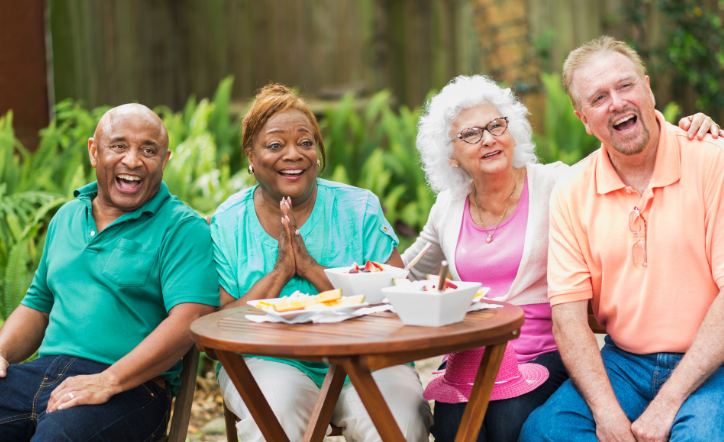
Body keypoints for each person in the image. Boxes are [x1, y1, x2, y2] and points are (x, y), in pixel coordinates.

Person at [402, 74, 724, 442]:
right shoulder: (447, 208)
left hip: (538, 353)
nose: (489, 139)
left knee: (511, 421)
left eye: (495, 126)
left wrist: (686, 138)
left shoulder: (556, 183)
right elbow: (405, 273)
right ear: (450, 155)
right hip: (470, 361)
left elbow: (627, 182)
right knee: (453, 428)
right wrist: (351, 280)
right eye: (471, 134)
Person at [520, 36, 724, 442]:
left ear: (648, 88)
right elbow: (568, 317)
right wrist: (607, 413)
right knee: (546, 432)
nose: (617, 102)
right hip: (625, 365)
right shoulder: (572, 189)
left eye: (625, 86)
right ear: (583, 119)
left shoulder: (718, 161)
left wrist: (665, 406)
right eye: (599, 97)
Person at [210, 84, 432, 442]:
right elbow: (218, 327)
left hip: (367, 359)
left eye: (306, 142)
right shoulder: (228, 223)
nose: (294, 154)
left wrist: (312, 269)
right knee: (275, 414)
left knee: (400, 420)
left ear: (318, 153)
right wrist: (280, 273)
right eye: (275, 144)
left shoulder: (359, 209)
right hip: (268, 361)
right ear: (250, 157)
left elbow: (397, 306)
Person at [0, 104, 220, 441]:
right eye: (119, 146)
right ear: (93, 151)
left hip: (132, 388)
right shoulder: (66, 217)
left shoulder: (181, 228)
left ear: (164, 160)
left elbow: (190, 319)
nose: (133, 160)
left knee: (57, 437)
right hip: (40, 376)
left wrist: (109, 380)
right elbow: (37, 305)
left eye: (148, 150)